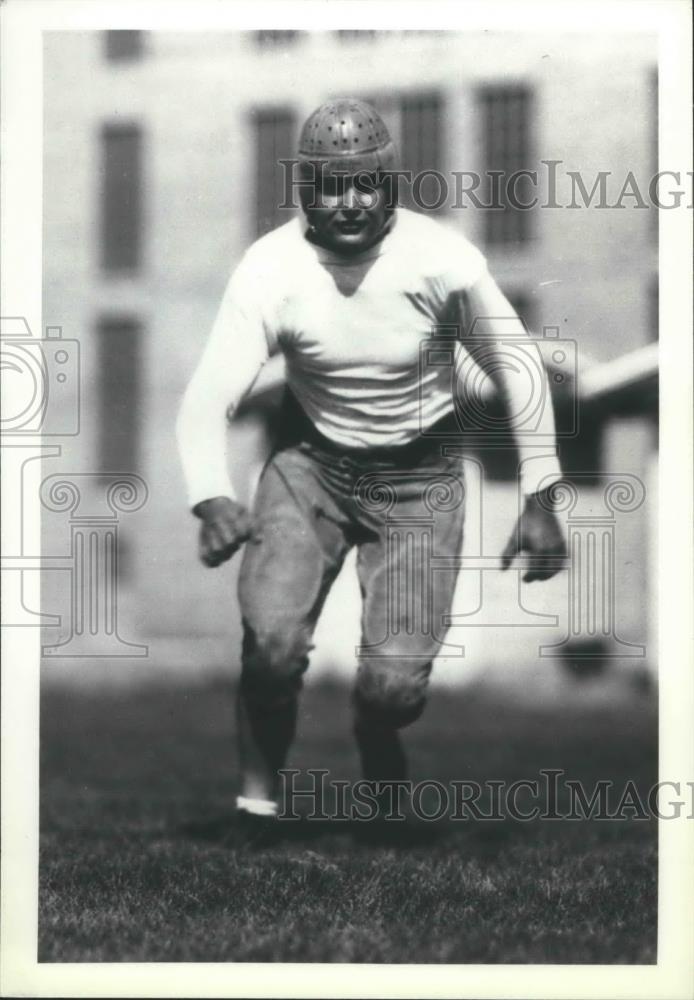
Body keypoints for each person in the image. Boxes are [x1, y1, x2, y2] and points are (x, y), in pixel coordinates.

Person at [176, 98, 567, 839]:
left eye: (364, 184)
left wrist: (542, 497)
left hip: (419, 481)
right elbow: (205, 400)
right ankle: (257, 806)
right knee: (271, 642)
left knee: (393, 690)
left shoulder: (440, 260)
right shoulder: (271, 268)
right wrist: (211, 498)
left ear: (391, 185)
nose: (348, 202)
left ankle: (376, 730)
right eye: (328, 184)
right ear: (303, 190)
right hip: (308, 468)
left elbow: (518, 366)